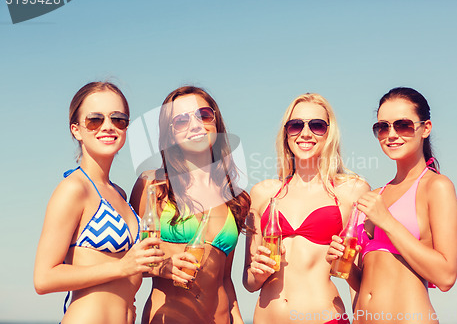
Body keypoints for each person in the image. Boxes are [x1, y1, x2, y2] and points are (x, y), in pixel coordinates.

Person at [327, 87, 457, 323]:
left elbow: (446, 276)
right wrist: (343, 264)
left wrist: (387, 221)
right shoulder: (376, 194)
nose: (391, 134)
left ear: (425, 128)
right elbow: (368, 281)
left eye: (403, 125)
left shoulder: (436, 186)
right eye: (382, 127)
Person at [34, 82, 164, 324]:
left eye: (118, 119)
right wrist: (122, 267)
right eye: (95, 120)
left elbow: (125, 269)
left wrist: (165, 265)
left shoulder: (119, 193)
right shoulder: (74, 189)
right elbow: (43, 278)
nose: (108, 126)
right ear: (76, 130)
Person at [243, 93, 370, 324]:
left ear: (329, 133)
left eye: (317, 125)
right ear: (286, 133)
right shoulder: (262, 193)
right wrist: (257, 273)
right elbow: (249, 283)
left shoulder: (352, 191)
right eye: (296, 125)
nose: (305, 133)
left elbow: (363, 282)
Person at [130, 86, 250, 324]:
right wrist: (160, 267)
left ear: (216, 123)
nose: (196, 125)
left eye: (203, 115)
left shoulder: (236, 198)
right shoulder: (153, 185)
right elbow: (126, 262)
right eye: (182, 121)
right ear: (170, 134)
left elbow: (225, 279)